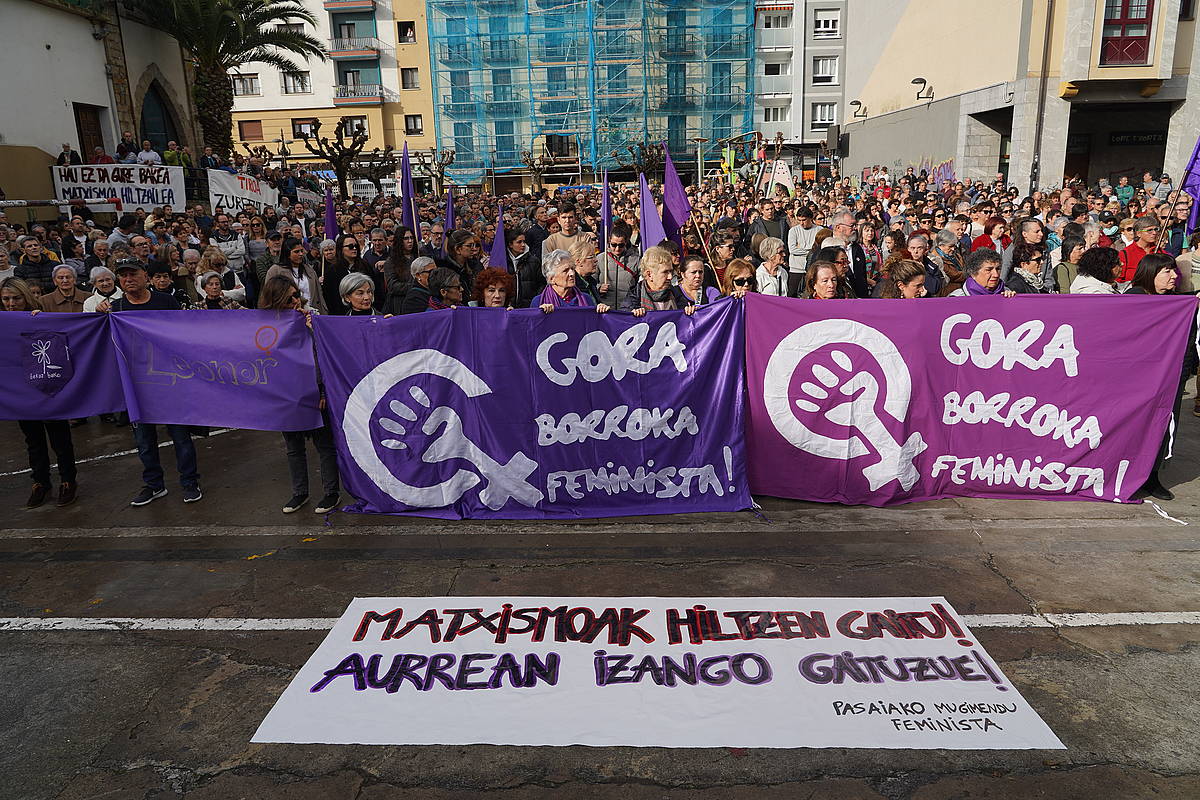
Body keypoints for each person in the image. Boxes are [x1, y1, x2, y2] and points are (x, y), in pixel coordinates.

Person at [98, 259, 202, 505]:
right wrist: (99, 313)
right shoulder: (115, 307)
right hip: (136, 385)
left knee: (181, 437)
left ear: (146, 276)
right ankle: (154, 485)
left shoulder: (165, 301)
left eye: (132, 273)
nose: (128, 279)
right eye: (122, 275)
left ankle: (190, 482)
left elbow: (185, 334)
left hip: (170, 382)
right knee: (144, 441)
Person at [258, 275, 341, 515]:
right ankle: (300, 492)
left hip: (314, 392)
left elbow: (324, 357)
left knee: (324, 445)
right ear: (276, 300)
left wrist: (324, 390)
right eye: (290, 297)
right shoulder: (265, 326)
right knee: (293, 447)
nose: (296, 300)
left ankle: (331, 492)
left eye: (297, 295)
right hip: (286, 396)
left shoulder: (310, 318)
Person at [1125, 252, 1197, 500]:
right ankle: (1128, 475)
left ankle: (1152, 476)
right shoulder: (1133, 298)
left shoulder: (1180, 303)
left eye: (1174, 271)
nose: (1174, 276)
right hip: (1135, 378)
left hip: (1170, 376)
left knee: (1163, 424)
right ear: (1151, 273)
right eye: (1167, 271)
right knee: (1133, 425)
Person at [2, 277, 79, 507]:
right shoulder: (2, 322)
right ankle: (40, 482)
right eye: (6, 299)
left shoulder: (41, 314)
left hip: (47, 385)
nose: (11, 303)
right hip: (19, 390)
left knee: (60, 437)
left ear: (25, 297)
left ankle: (68, 480)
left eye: (16, 298)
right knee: (32, 439)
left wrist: (39, 321)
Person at [538, 249, 611, 312]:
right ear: (551, 279)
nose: (572, 273)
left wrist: (601, 312)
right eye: (565, 270)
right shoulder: (540, 301)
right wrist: (541, 313)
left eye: (572, 269)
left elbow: (592, 324)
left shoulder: (586, 299)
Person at [265, 238, 326, 313]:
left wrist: (324, 311)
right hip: (285, 315)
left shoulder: (309, 269)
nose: (301, 254)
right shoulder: (275, 271)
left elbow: (319, 294)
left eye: (301, 251)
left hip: (312, 313)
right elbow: (269, 297)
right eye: (296, 252)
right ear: (287, 254)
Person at [623, 245, 684, 315]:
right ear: (649, 275)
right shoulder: (633, 298)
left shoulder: (676, 294)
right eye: (665, 272)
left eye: (671, 271)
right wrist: (632, 316)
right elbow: (623, 320)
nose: (670, 277)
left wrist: (691, 312)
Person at [597, 224, 638, 308]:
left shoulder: (635, 260)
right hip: (605, 308)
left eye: (621, 245)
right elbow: (591, 282)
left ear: (626, 243)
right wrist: (599, 288)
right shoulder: (600, 259)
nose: (617, 249)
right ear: (609, 241)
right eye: (614, 245)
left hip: (627, 308)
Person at [948, 248, 1015, 297]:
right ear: (973, 273)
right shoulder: (957, 298)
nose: (996, 275)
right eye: (988, 270)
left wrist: (1011, 301)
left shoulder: (1007, 293)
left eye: (998, 269)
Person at [786, 207, 822, 296]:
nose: (801, 223)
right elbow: (792, 249)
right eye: (799, 220)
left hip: (812, 269)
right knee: (792, 295)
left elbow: (820, 249)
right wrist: (811, 251)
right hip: (796, 269)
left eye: (804, 220)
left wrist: (802, 249)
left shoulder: (819, 230)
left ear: (810, 218)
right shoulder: (793, 231)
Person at [438, 229, 484, 297]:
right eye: (469, 246)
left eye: (474, 245)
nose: (473, 249)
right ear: (457, 249)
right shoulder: (443, 270)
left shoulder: (476, 265)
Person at [1116, 216, 1162, 284]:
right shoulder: (1125, 253)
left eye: (1156, 229)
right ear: (1138, 233)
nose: (1154, 233)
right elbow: (1118, 279)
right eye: (1149, 230)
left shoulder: (1161, 252)